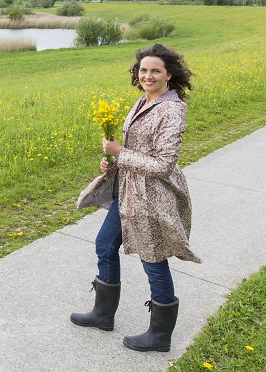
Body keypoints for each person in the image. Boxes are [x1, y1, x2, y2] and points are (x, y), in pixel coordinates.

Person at [70, 43, 201, 352]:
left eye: (155, 70)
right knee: (105, 244)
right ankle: (103, 314)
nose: (148, 75)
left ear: (169, 74)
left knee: (153, 259)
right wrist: (112, 163)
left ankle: (159, 335)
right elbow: (135, 152)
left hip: (152, 197)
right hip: (128, 192)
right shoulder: (142, 100)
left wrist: (121, 153)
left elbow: (163, 165)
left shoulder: (173, 109)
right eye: (143, 70)